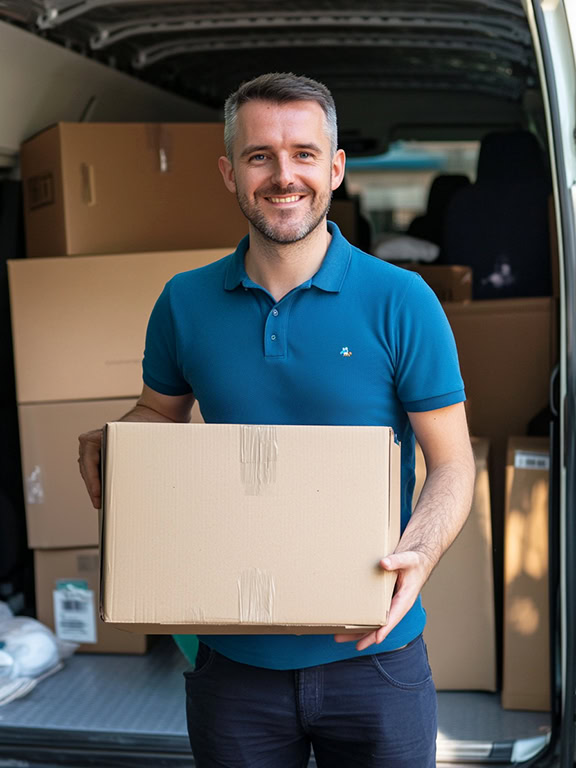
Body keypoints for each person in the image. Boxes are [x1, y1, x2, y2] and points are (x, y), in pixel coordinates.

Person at [78, 72, 475, 768]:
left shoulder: (402, 301)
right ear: (230, 171)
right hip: (232, 662)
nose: (283, 175)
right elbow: (160, 410)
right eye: (261, 155)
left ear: (336, 168)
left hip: (374, 654)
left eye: (304, 154)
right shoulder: (185, 302)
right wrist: (120, 438)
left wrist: (423, 551)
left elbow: (451, 462)